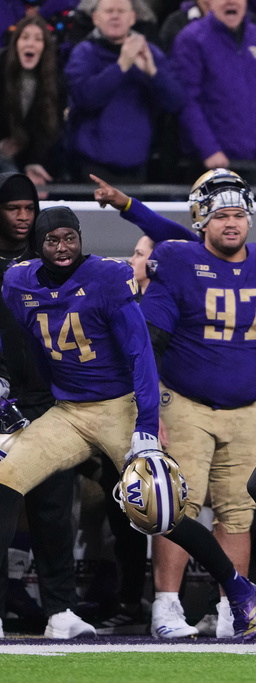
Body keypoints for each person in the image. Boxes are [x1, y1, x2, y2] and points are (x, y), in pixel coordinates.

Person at [0, 206, 256, 642]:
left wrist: (146, 423)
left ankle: (239, 589)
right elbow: (22, 342)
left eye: (70, 238)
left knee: (161, 510)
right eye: (53, 240)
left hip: (119, 407)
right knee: (5, 480)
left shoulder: (106, 277)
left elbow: (141, 352)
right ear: (39, 244)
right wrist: (23, 391)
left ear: (81, 238)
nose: (63, 248)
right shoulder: (18, 282)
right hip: (67, 411)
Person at [114, 169, 256, 639]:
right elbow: (150, 342)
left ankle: (233, 609)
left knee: (239, 510)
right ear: (201, 220)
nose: (231, 223)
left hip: (249, 406)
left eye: (238, 214)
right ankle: (167, 608)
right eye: (221, 216)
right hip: (186, 402)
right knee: (176, 505)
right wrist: (150, 416)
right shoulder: (177, 259)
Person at [0, 176, 86, 639]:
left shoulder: (56, 263)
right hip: (1, 399)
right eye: (12, 208)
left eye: (29, 208)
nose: (22, 218)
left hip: (51, 400)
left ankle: (61, 610)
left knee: (55, 510)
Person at [64, 0, 183, 183]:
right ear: (95, 18)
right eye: (109, 11)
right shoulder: (84, 53)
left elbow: (175, 102)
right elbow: (85, 98)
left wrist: (153, 73)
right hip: (92, 165)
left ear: (132, 18)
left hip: (139, 164)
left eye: (121, 11)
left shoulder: (149, 53)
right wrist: (121, 67)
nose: (115, 16)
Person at [172, 0, 256, 184]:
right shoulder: (191, 39)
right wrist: (208, 149)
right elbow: (187, 101)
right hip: (208, 165)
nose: (231, 2)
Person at [0, 14, 64, 188]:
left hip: (25, 159)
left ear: (44, 47)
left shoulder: (54, 79)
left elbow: (51, 128)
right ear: (16, 44)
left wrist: (35, 162)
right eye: (25, 37)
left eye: (38, 39)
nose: (30, 44)